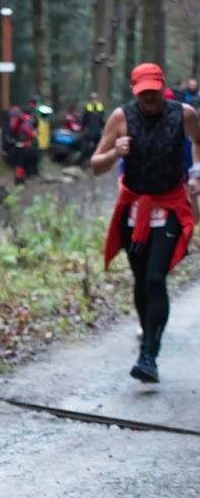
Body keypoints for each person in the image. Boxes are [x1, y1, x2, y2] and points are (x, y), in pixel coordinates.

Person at [90, 61, 200, 383]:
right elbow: (96, 165)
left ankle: (149, 353)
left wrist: (196, 172)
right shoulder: (121, 118)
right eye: (143, 94)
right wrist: (115, 153)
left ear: (162, 87)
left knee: (155, 278)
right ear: (134, 91)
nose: (148, 99)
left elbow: (198, 141)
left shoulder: (184, 114)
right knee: (141, 280)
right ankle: (148, 338)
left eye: (153, 92)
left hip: (168, 204)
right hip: (134, 209)